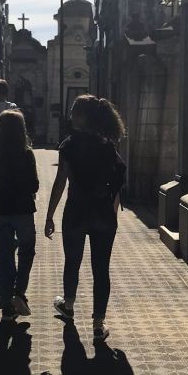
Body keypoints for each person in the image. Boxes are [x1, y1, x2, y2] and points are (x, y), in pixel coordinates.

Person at [44, 95, 126, 342]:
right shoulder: (107, 145)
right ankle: (99, 325)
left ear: (84, 116)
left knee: (73, 262)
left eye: (74, 112)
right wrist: (113, 206)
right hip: (102, 211)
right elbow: (118, 179)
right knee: (101, 269)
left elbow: (60, 182)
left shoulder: (69, 145)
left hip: (77, 210)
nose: (70, 116)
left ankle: (68, 307)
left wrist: (49, 215)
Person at [0, 109, 38, 322]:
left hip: (1, 211)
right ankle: (19, 293)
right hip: (23, 210)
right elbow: (34, 185)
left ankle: (7, 306)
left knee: (5, 257)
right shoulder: (26, 154)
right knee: (26, 252)